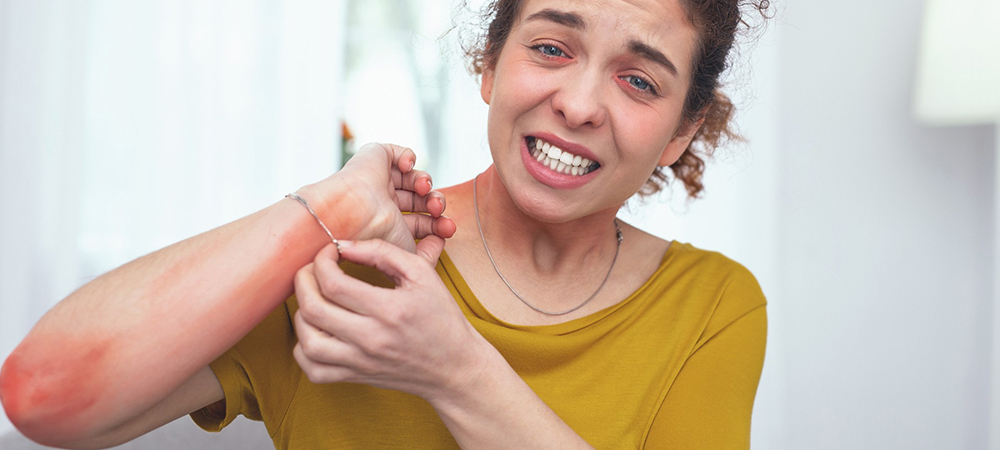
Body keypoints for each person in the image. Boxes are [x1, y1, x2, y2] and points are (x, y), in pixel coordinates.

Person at [0, 0, 770, 448]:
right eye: (549, 47)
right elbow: (42, 395)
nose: (578, 103)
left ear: (679, 130)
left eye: (638, 80)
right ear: (490, 66)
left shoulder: (712, 307)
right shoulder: (347, 262)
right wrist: (326, 209)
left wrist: (450, 366)